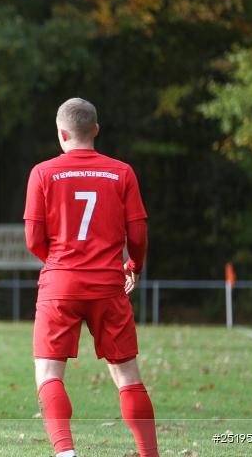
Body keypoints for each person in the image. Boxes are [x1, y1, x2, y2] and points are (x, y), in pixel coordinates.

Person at [24, 98, 157, 457]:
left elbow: (33, 238)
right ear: (96, 130)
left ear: (61, 133)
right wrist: (134, 267)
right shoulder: (122, 172)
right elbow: (139, 235)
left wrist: (58, 263)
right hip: (108, 284)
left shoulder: (43, 172)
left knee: (49, 374)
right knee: (128, 377)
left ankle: (66, 453)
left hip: (60, 284)